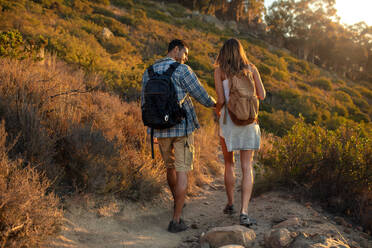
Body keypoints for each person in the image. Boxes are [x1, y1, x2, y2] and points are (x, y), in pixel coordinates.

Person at [141, 39, 216, 233]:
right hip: (181, 128)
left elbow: (144, 104)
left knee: (170, 168)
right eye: (185, 53)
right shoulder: (183, 70)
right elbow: (201, 95)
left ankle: (177, 203)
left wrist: (151, 129)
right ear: (176, 49)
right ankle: (176, 220)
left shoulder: (148, 72)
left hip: (159, 128)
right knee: (183, 170)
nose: (186, 58)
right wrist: (216, 104)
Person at [214, 38, 266, 227]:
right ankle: (244, 212)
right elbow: (262, 95)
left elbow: (220, 99)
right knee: (247, 166)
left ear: (223, 53)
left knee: (229, 164)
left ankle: (230, 204)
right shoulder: (251, 68)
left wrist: (217, 109)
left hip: (229, 122)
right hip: (250, 122)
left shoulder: (220, 71)